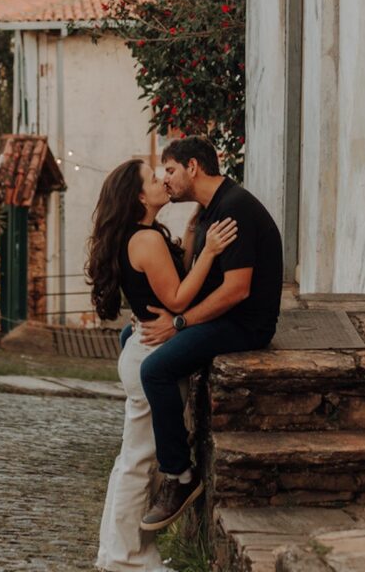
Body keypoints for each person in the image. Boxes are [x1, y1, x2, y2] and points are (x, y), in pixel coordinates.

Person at [86, 158, 238, 572]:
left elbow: (170, 279)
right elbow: (178, 299)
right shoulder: (144, 240)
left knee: (131, 459)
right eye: (154, 178)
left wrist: (192, 235)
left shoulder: (144, 235)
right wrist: (209, 252)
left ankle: (116, 553)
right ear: (139, 196)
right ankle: (126, 559)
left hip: (142, 347)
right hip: (151, 353)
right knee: (140, 463)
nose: (163, 181)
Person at [137, 135, 283, 533]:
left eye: (170, 170)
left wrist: (180, 324)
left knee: (155, 371)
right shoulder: (210, 208)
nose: (165, 180)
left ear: (193, 168)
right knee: (132, 344)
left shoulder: (233, 209)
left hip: (244, 324)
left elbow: (237, 290)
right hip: (225, 317)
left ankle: (179, 478)